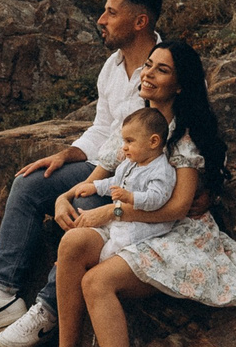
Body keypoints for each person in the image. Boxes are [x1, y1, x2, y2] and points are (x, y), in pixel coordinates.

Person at [28, 39, 236, 347]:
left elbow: (176, 208)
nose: (149, 73)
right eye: (149, 65)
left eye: (162, 69)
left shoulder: (182, 138)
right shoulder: (137, 123)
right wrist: (63, 198)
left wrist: (114, 210)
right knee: (72, 242)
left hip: (172, 233)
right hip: (130, 224)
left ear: (181, 85)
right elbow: (95, 178)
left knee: (96, 282)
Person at [0, 0, 162, 347]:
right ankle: (2, 296)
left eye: (111, 13)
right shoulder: (112, 66)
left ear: (140, 21)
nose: (101, 20)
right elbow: (102, 129)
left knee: (87, 205)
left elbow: (147, 140)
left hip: (137, 175)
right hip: (102, 167)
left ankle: (46, 310)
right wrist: (67, 155)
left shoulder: (163, 65)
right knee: (30, 182)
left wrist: (77, 188)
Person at [67, 109, 175, 260]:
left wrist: (131, 197)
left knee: (117, 243)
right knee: (95, 226)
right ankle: (73, 255)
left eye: (130, 141)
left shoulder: (161, 171)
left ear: (153, 142)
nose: (124, 147)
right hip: (123, 217)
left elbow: (157, 198)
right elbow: (115, 182)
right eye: (124, 141)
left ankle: (99, 261)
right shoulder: (131, 163)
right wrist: (95, 187)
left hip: (144, 224)